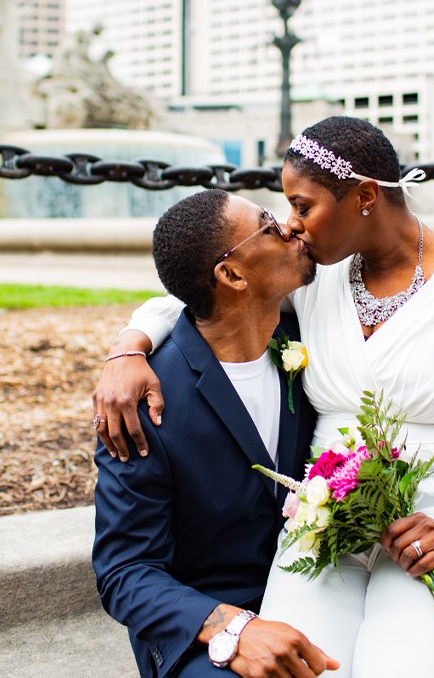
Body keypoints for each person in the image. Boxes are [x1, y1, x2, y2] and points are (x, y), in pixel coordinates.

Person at [93, 117, 434, 678]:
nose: (293, 227)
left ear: (366, 197)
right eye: (284, 212)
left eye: (302, 206)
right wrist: (129, 346)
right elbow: (201, 295)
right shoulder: (316, 281)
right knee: (311, 670)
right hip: (326, 530)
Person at [92, 190, 338, 677]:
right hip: (204, 625)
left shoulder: (312, 338)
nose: (288, 227)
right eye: (268, 224)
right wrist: (236, 627)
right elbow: (125, 572)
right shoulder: (144, 401)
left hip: (323, 590)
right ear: (231, 275)